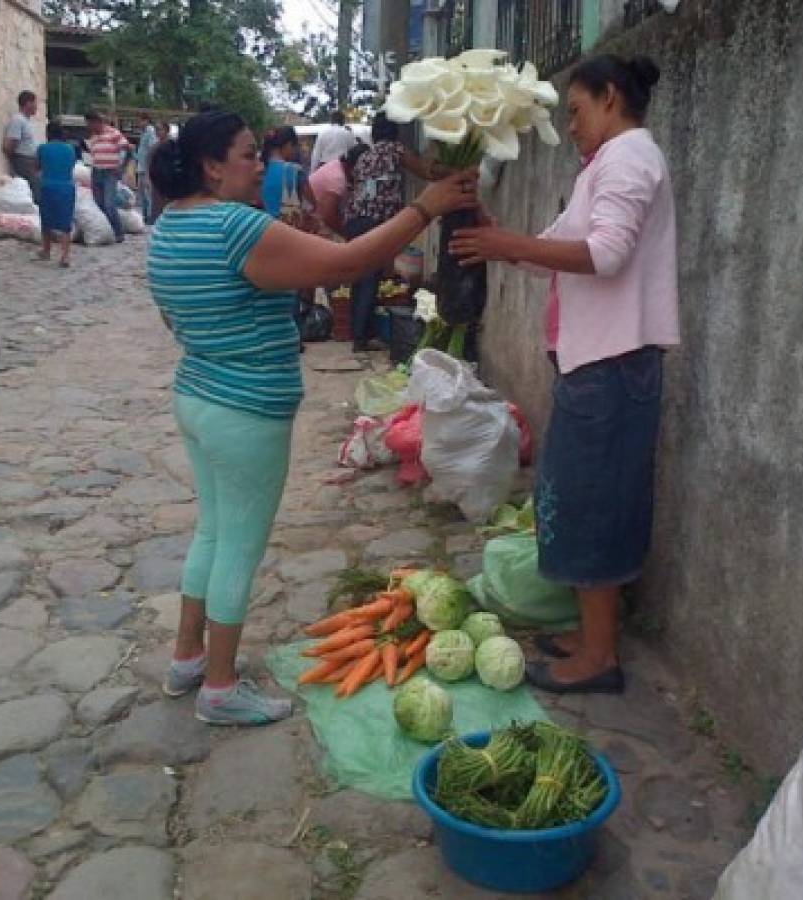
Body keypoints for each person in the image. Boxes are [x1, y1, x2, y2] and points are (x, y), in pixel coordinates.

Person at [147, 109, 476, 725]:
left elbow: (175, 318)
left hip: (197, 395)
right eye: (250, 155)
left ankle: (187, 658)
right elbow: (348, 265)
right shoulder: (235, 227)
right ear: (212, 166)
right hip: (245, 408)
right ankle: (219, 689)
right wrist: (425, 207)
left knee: (213, 532)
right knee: (239, 544)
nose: (265, 166)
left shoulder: (170, 225)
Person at [449, 55, 678, 695]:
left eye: (576, 111)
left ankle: (600, 656)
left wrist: (510, 246)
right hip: (592, 363)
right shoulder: (603, 166)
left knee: (596, 503)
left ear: (610, 99)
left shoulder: (630, 157)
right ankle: (589, 632)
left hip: (612, 365)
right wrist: (499, 236)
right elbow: (555, 246)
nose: (570, 126)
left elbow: (604, 255)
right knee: (578, 498)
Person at [344, 112, 439, 352]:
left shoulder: (365, 156)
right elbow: (425, 171)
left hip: (355, 219)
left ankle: (358, 332)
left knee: (359, 276)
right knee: (370, 278)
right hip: (375, 222)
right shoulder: (395, 150)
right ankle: (361, 338)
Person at [35, 120, 76, 268]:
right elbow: (71, 166)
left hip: (47, 186)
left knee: (46, 220)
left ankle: (46, 250)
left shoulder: (42, 149)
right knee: (66, 223)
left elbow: (38, 167)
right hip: (66, 187)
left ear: (48, 134)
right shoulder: (70, 149)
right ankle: (65, 256)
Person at [85, 110, 131, 243]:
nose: (89, 127)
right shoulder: (92, 137)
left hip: (110, 173)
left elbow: (128, 150)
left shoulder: (113, 133)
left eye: (90, 124)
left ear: (97, 122)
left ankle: (119, 233)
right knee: (99, 204)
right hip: (96, 172)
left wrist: (121, 168)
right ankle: (108, 231)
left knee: (109, 204)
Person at [309, 143, 369, 238]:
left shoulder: (337, 164)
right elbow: (328, 217)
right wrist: (344, 235)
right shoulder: (337, 179)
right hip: (314, 221)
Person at [260, 126, 310, 224]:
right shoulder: (295, 171)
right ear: (288, 144)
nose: (295, 151)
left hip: (261, 229)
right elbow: (312, 205)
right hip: (287, 231)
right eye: (294, 147)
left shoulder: (258, 170)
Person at [4, 90, 40, 203]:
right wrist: (16, 158)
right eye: (35, 103)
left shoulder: (26, 121)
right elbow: (12, 142)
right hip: (23, 162)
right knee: (32, 192)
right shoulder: (18, 120)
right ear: (28, 103)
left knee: (35, 191)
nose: (36, 107)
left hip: (29, 162)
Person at [136, 113, 160, 224]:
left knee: (147, 193)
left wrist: (148, 168)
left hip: (146, 167)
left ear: (146, 120)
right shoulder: (143, 133)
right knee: (142, 194)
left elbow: (152, 148)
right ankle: (145, 216)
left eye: (140, 120)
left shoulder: (150, 132)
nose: (138, 123)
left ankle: (151, 216)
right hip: (141, 166)